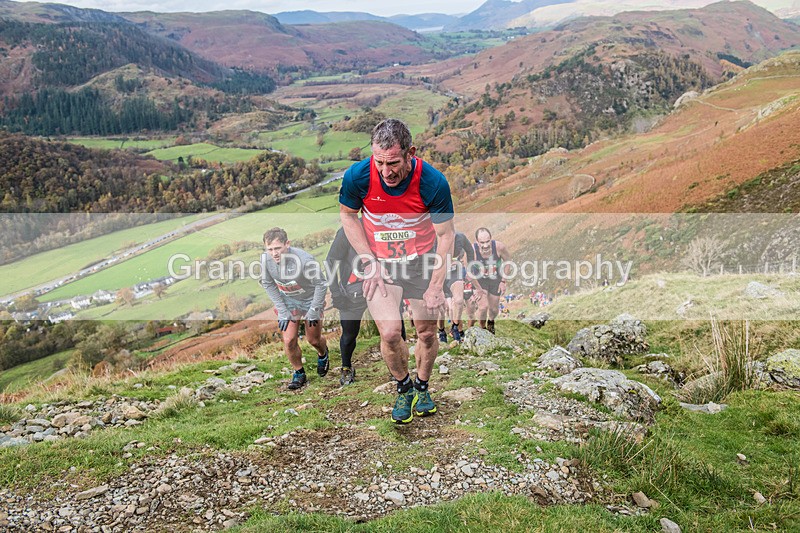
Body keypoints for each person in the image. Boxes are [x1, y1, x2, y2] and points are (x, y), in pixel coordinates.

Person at [339, 118, 455, 425]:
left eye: (393, 163)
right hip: (380, 264)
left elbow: (446, 236)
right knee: (390, 332)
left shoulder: (432, 182)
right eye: (379, 162)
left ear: (410, 153)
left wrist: (436, 286)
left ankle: (423, 387)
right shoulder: (358, 176)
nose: (386, 172)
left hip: (421, 262)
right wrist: (368, 261)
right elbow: (348, 217)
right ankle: (404, 388)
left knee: (426, 333)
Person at [325, 226, 406, 386]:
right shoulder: (347, 231)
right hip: (352, 292)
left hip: (382, 286)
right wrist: (336, 293)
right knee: (349, 334)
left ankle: (398, 369)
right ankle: (346, 367)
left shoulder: (386, 227)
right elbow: (331, 261)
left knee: (393, 328)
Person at [259, 227, 328, 390]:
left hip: (310, 300)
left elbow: (321, 284)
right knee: (289, 340)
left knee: (313, 340)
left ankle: (323, 354)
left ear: (287, 244)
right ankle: (299, 373)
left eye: (277, 248)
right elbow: (268, 284)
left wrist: (314, 310)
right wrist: (282, 310)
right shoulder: (265, 260)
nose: (274, 253)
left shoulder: (305, 260)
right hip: (288, 301)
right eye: (270, 249)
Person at [437, 231, 483, 343]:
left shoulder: (460, 237)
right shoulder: (434, 239)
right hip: (438, 274)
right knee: (442, 308)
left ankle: (455, 327)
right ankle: (441, 330)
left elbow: (470, 251)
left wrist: (470, 269)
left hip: (454, 272)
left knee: (458, 301)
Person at [471, 227, 512, 335]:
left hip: (495, 279)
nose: (485, 245)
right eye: (482, 242)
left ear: (491, 239)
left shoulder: (499, 247)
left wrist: (503, 281)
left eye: (487, 241)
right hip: (479, 280)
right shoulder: (472, 251)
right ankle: (482, 329)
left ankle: (491, 322)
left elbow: (508, 262)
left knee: (493, 309)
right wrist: (477, 288)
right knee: (483, 307)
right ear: (477, 242)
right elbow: (468, 271)